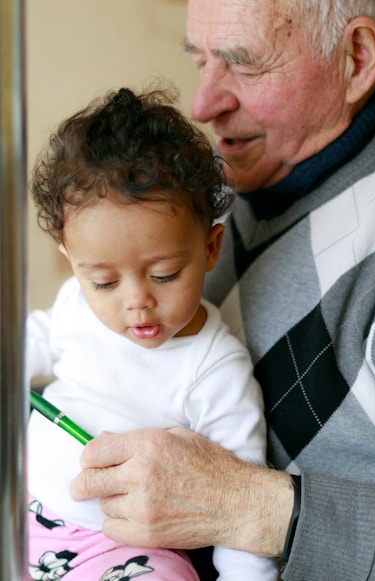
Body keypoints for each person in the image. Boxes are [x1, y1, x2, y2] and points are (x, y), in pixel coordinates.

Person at [70, 1, 375, 579]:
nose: (204, 104)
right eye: (200, 60)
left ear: (356, 58)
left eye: (243, 64)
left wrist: (242, 506)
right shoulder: (207, 193)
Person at [25, 86, 279, 580]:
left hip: (121, 552)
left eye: (163, 274)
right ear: (70, 257)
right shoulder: (76, 307)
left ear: (210, 247)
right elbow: (30, 343)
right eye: (103, 281)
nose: (136, 300)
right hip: (25, 510)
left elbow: (239, 515)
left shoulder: (215, 368)